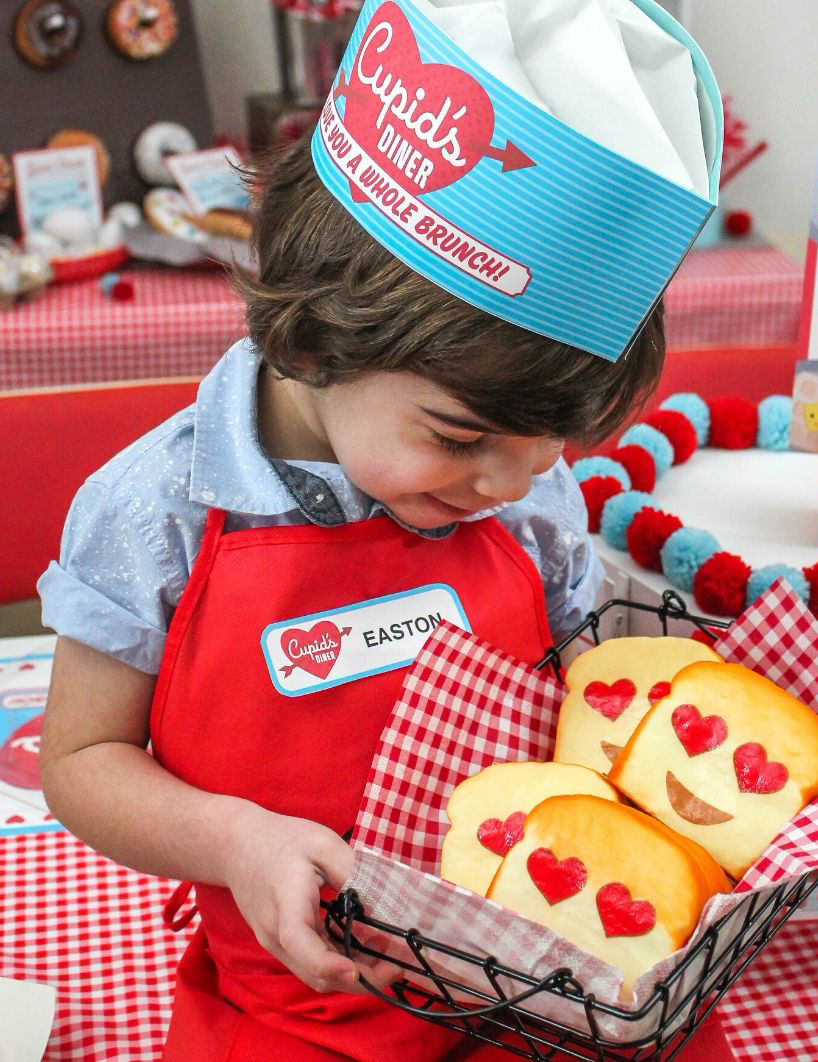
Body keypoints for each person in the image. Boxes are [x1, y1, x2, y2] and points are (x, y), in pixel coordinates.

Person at [35, 0, 723, 1056]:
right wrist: (233, 839)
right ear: (316, 333)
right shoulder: (153, 511)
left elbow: (589, 685)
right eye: (462, 437)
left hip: (544, 976)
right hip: (297, 1001)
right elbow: (79, 760)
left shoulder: (527, 486)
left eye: (543, 453)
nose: (506, 487)